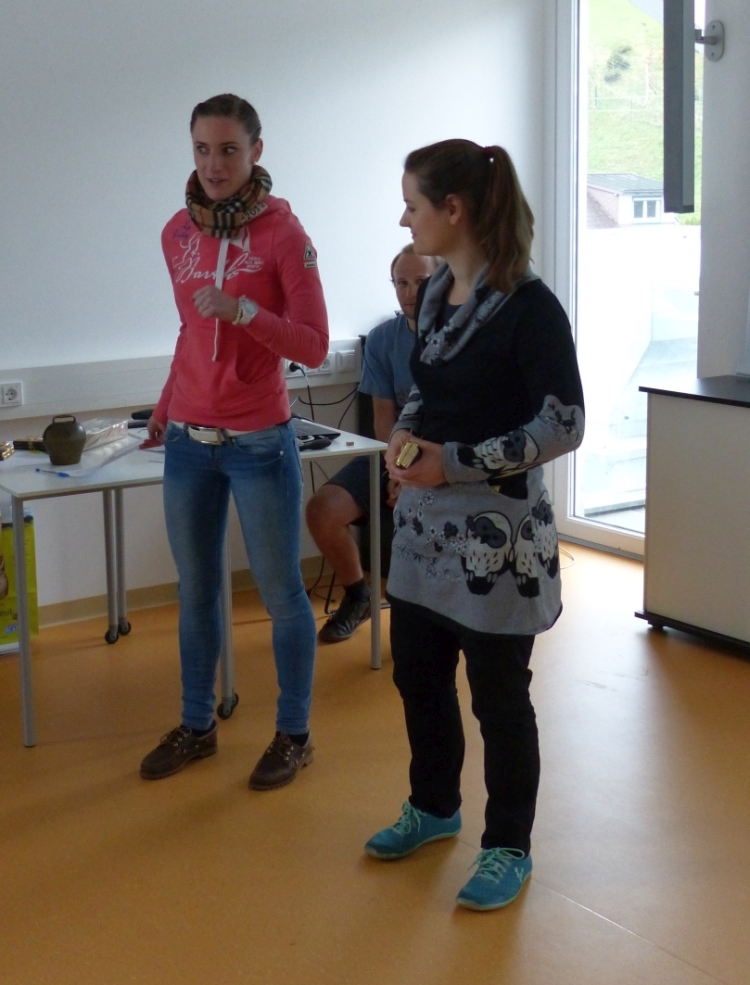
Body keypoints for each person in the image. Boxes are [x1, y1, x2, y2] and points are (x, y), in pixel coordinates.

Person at [364, 140, 585, 911]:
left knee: (499, 699)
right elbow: (426, 385)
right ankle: (434, 806)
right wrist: (405, 435)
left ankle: (507, 845)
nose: (405, 219)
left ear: (453, 210)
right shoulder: (434, 292)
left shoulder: (530, 307)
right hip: (425, 535)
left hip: (497, 540)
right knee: (418, 676)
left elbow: (564, 422)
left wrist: (452, 462)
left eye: (413, 205)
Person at [139, 94, 328, 790]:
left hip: (258, 442)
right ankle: (197, 725)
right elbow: (191, 331)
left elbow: (313, 344)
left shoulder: (284, 234)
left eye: (228, 150)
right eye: (201, 149)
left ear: (256, 152)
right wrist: (167, 405)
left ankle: (294, 733)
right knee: (195, 590)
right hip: (189, 440)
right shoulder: (176, 233)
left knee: (280, 593)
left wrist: (245, 310)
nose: (213, 165)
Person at [306, 245, 438, 643]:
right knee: (322, 510)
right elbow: (384, 416)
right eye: (401, 282)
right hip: (394, 454)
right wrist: (396, 470)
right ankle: (358, 596)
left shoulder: (458, 336)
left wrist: (413, 476)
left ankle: (431, 620)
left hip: (444, 462)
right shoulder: (383, 340)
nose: (410, 292)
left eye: (421, 282)